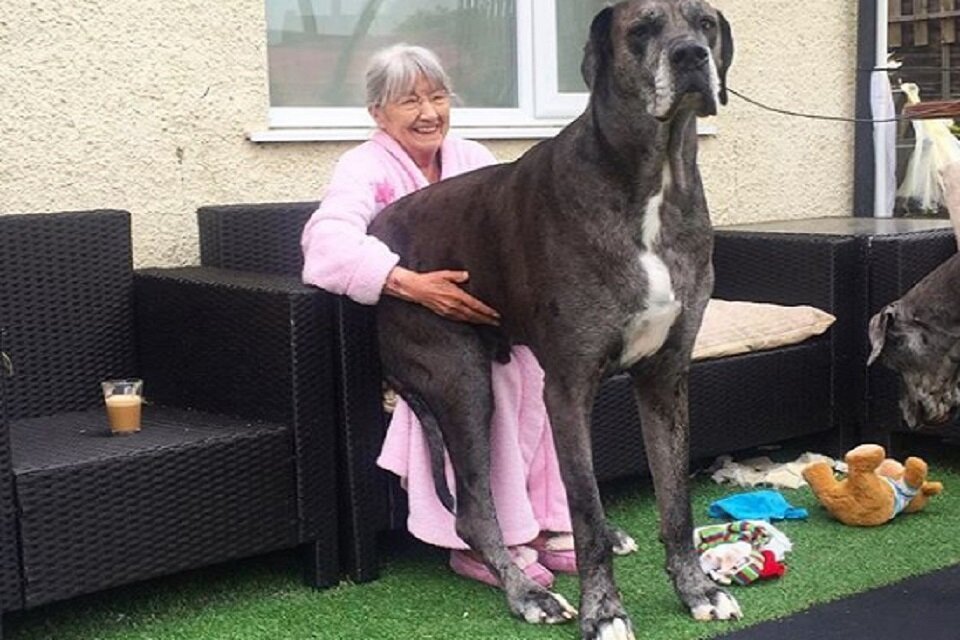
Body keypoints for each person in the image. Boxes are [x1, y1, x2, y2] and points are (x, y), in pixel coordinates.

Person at [301, 44, 574, 589]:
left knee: (542, 364)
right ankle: (476, 540)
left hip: (481, 321)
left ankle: (539, 522)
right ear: (378, 113)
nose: (429, 113)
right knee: (487, 378)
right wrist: (411, 285)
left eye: (438, 96)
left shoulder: (473, 158)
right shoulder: (364, 167)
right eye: (409, 101)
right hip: (413, 327)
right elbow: (324, 245)